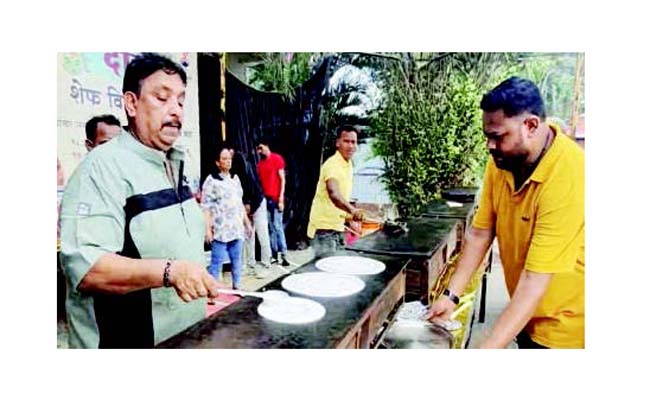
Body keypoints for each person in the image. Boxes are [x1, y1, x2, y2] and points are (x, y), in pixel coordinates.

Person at [59, 53, 226, 349]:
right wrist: (170, 272)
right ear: (132, 104)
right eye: (162, 98)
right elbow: (88, 269)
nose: (175, 110)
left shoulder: (173, 162)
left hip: (185, 337)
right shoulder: (102, 168)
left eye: (180, 101)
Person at [426, 77, 584, 349]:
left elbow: (534, 281)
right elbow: (480, 233)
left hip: (566, 326)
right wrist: (450, 297)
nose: (490, 145)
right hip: (526, 312)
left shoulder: (569, 174)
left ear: (530, 125)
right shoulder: (503, 161)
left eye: (498, 136)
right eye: (487, 137)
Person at [307, 125, 366, 258]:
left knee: (339, 265)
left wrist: (349, 218)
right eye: (346, 141)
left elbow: (342, 197)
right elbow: (334, 193)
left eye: (353, 142)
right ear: (338, 143)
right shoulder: (332, 164)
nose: (350, 146)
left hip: (337, 226)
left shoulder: (348, 164)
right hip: (324, 229)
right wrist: (353, 210)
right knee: (326, 268)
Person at [201, 147, 253, 290]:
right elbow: (206, 207)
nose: (228, 161)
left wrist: (247, 223)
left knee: (237, 261)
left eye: (229, 158)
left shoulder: (235, 180)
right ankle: (212, 290)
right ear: (217, 162)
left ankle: (237, 286)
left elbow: (239, 204)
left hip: (236, 228)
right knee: (216, 262)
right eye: (224, 159)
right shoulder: (211, 181)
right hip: (220, 230)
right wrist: (207, 229)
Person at [231, 151, 273, 279]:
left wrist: (248, 204)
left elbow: (251, 190)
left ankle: (266, 265)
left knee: (262, 234)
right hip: (247, 205)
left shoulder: (244, 169)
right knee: (248, 235)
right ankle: (250, 266)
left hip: (257, 203)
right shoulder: (235, 172)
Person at [256, 140, 290, 266]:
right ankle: (274, 253)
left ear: (266, 146)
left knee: (277, 226)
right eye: (258, 149)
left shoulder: (277, 159)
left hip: (276, 197)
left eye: (261, 148)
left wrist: (281, 198)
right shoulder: (260, 165)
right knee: (270, 228)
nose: (260, 151)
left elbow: (282, 179)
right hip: (266, 198)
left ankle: (284, 254)